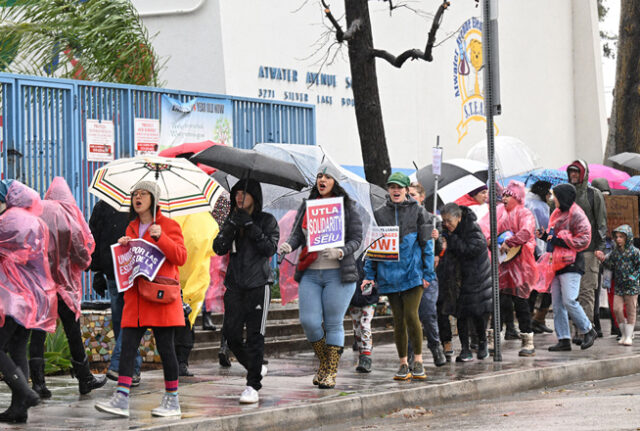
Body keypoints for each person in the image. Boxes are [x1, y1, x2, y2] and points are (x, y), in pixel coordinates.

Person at [95, 180, 187, 418]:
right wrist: (125, 246)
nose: (138, 198)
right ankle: (121, 398)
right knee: (127, 347)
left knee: (166, 349)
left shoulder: (169, 225)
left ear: (153, 199)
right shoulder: (131, 227)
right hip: (135, 298)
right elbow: (131, 262)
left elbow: (180, 257)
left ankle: (172, 401)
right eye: (135, 194)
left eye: (144, 194)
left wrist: (161, 238)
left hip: (160, 297)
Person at [279, 163, 363, 389]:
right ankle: (325, 363)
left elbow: (356, 238)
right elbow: (297, 234)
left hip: (338, 274)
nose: (322, 180)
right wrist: (288, 244)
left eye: (327, 176)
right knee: (309, 321)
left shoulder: (347, 207)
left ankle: (330, 372)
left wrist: (341, 251)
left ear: (335, 182)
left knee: (334, 323)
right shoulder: (307, 206)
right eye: (319, 176)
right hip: (311, 273)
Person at [29, 177, 107, 398]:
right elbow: (82, 254)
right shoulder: (69, 216)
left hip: (40, 285)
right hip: (64, 287)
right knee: (72, 332)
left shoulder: (37, 213)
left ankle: (38, 384)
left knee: (38, 332)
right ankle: (84, 378)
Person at [361, 172, 436, 380]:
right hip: (389, 276)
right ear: (388, 190)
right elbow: (372, 248)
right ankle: (403, 363)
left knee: (412, 315)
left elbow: (427, 245)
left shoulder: (419, 212)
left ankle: (418, 360)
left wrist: (428, 273)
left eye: (399, 187)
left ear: (405, 190)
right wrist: (369, 275)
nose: (395, 190)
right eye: (392, 187)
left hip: (413, 275)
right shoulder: (378, 214)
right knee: (398, 320)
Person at [213, 178, 279, 404]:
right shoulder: (231, 218)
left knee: (255, 336)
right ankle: (256, 367)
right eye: (237, 193)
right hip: (234, 285)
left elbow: (269, 249)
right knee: (230, 335)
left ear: (255, 196)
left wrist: (251, 226)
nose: (240, 197)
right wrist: (232, 225)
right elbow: (218, 247)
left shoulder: (267, 220)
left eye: (245, 193)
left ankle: (252, 385)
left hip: (258, 284)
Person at [0, 181, 56, 424]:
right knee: (17, 347)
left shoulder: (10, 219)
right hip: (33, 297)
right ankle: (18, 409)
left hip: (14, 296)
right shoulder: (33, 219)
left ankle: (24, 392)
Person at [537, 183, 598, 351]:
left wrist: (558, 240)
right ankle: (563, 338)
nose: (552, 199)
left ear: (562, 197)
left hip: (571, 263)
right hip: (556, 263)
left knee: (569, 300)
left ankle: (588, 329)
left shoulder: (577, 214)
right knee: (557, 304)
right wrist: (544, 236)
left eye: (555, 195)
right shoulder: (556, 213)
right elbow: (553, 237)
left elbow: (584, 239)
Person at [89, 199, 143, 385]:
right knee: (121, 322)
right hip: (112, 272)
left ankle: (121, 366)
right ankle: (132, 368)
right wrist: (97, 271)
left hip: (133, 273)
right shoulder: (103, 207)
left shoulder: (140, 208)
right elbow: (94, 238)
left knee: (127, 322)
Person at [440, 202, 492, 362]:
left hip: (477, 279)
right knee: (461, 315)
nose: (447, 225)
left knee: (477, 313)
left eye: (449, 221)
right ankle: (464, 348)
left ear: (459, 217)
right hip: (457, 279)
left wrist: (451, 239)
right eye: (444, 221)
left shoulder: (472, 228)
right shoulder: (447, 232)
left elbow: (471, 249)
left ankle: (482, 343)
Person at [493, 181, 538, 356]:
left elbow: (526, 232)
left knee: (521, 303)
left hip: (521, 266)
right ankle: (492, 339)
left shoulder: (524, 213)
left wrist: (508, 243)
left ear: (517, 197)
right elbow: (487, 228)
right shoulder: (498, 213)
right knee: (498, 301)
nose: (504, 198)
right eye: (503, 195)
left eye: (508, 195)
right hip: (502, 265)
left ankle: (528, 341)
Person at [566, 160, 607, 345]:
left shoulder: (594, 194)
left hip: (590, 251)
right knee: (571, 293)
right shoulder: (566, 194)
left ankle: (586, 329)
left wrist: (600, 247)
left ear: (583, 174)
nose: (573, 175)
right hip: (568, 251)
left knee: (586, 291)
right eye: (571, 172)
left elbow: (601, 223)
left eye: (577, 172)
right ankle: (577, 329)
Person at [173, 212, 218, 377]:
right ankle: (181, 362)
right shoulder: (206, 219)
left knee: (183, 321)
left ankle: (179, 362)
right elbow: (214, 246)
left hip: (180, 275)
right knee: (185, 320)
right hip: (192, 277)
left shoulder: (168, 216)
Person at [407, 181, 446, 366]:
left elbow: (439, 249)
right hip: (408, 275)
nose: (410, 197)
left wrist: (437, 241)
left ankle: (435, 346)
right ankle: (409, 354)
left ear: (422, 197)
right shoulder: (403, 219)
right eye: (408, 194)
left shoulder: (433, 219)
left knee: (428, 313)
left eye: (413, 194)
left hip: (427, 274)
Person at [596, 225, 640, 346]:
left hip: (631, 286)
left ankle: (629, 335)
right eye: (617, 237)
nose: (618, 239)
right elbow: (610, 265)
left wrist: (634, 277)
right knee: (617, 309)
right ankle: (623, 332)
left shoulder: (635, 252)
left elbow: (639, 267)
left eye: (621, 237)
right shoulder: (615, 253)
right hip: (619, 286)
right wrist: (603, 259)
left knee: (631, 311)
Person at [525, 180, 554, 334]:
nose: (550, 196)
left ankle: (529, 319)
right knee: (546, 286)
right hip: (541, 250)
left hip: (528, 249)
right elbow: (546, 229)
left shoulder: (526, 203)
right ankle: (539, 318)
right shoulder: (541, 207)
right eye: (549, 192)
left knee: (532, 287)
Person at [349, 255, 379, 373]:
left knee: (364, 323)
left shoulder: (369, 249)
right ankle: (362, 352)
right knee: (357, 327)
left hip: (368, 290)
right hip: (352, 293)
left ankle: (366, 356)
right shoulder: (350, 248)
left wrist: (370, 290)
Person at [591, 177, 612, 337]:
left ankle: (616, 324)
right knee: (595, 288)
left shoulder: (613, 208)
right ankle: (595, 320)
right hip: (596, 253)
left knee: (611, 287)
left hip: (612, 255)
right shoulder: (591, 208)